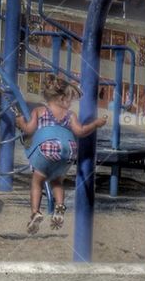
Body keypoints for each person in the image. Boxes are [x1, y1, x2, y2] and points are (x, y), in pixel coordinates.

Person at [15, 74, 107, 234]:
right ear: (62, 98)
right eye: (70, 99)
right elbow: (81, 131)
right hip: (68, 152)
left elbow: (29, 130)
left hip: (46, 149)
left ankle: (35, 212)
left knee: (37, 181)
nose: (70, 103)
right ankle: (59, 206)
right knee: (57, 181)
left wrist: (20, 122)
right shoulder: (70, 115)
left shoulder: (39, 111)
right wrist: (96, 124)